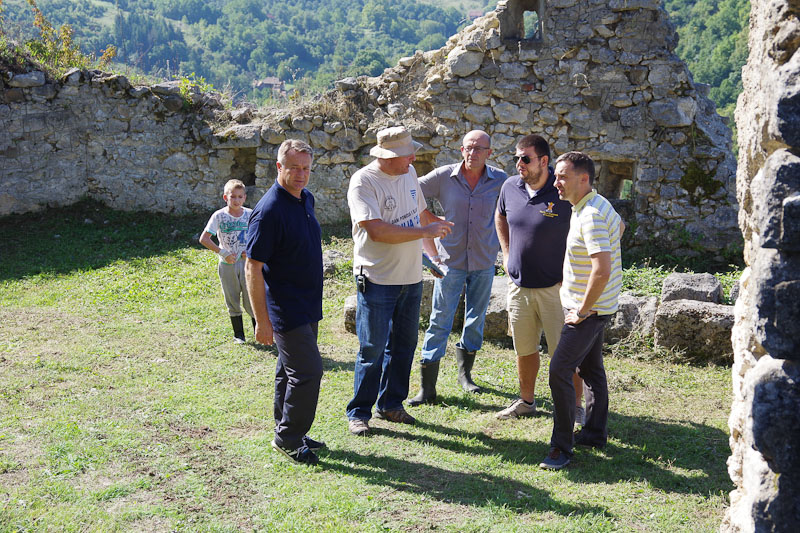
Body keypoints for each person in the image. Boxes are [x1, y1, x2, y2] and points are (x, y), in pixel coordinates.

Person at [346, 126, 454, 436]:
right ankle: (359, 413)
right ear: (388, 156)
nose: (413, 158)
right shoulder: (364, 181)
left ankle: (391, 404)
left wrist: (435, 250)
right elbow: (376, 230)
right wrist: (425, 231)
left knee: (404, 345)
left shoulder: (408, 174)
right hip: (377, 278)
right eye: (407, 154)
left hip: (410, 277)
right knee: (372, 348)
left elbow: (421, 215)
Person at [408, 130, 506, 405]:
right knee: (440, 320)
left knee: (476, 319)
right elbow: (411, 191)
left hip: (484, 261)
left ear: (489, 153)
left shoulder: (500, 180)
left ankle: (466, 376)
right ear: (461, 150)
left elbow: (513, 209)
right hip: (449, 261)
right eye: (468, 148)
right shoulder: (443, 176)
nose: (472, 153)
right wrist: (430, 220)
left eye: (479, 149)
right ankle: (427, 389)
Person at [540, 151, 624, 470]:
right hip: (599, 306)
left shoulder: (590, 215)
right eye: (556, 176)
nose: (556, 182)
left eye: (562, 177)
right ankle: (594, 434)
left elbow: (601, 269)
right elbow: (620, 228)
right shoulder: (597, 204)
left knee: (559, 370)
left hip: (588, 312)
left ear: (583, 178)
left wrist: (583, 309)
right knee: (591, 370)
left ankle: (561, 447)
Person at [245, 139, 326, 465]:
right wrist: (262, 321)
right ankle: (289, 439)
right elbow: (252, 267)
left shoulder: (305, 198)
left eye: (306, 168)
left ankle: (288, 429)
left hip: (307, 304)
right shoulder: (269, 211)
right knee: (308, 372)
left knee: (288, 371)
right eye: (294, 168)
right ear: (279, 167)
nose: (301, 174)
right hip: (285, 307)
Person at [494, 135, 585, 421]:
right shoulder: (510, 186)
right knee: (524, 349)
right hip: (519, 286)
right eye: (517, 158)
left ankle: (575, 407)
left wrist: (574, 272)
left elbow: (591, 226)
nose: (519, 164)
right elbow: (500, 216)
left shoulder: (563, 190)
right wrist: (506, 253)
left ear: (544, 161)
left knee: (566, 354)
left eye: (525, 158)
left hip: (556, 290)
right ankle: (526, 401)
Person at [199, 179, 255, 343]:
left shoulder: (251, 214)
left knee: (251, 298)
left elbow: (261, 236)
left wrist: (251, 251)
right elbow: (204, 239)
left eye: (240, 197)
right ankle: (239, 335)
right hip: (227, 265)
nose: (236, 200)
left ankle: (259, 332)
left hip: (247, 264)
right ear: (225, 197)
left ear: (245, 197)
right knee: (232, 298)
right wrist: (223, 253)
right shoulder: (219, 216)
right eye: (233, 197)